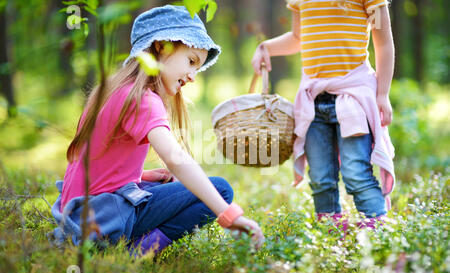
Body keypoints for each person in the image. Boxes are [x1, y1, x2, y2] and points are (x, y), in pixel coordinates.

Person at [49, 5, 265, 255]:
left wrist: (141, 178)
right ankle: (138, 253)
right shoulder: (143, 99)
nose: (193, 76)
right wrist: (228, 214)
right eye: (191, 61)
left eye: (198, 67)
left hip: (76, 215)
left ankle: (125, 245)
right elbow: (176, 159)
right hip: (100, 221)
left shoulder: (113, 91)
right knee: (220, 190)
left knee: (171, 184)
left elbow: (97, 167)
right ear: (162, 46)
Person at [251, 0, 395, 229]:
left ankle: (378, 231)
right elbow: (298, 37)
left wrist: (383, 93)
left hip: (353, 96)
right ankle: (331, 232)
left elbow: (383, 41)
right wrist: (266, 47)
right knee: (320, 177)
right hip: (313, 100)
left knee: (356, 172)